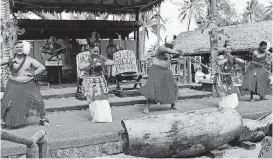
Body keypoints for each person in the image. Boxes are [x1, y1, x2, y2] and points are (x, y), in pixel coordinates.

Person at [1, 41, 49, 129]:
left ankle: (43, 119)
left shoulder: (29, 59)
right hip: (13, 84)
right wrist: (9, 60)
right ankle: (3, 121)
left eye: (21, 47)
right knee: (7, 103)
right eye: (17, 47)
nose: (19, 49)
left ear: (25, 49)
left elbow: (42, 67)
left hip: (27, 83)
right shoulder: (11, 59)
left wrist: (33, 73)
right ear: (14, 49)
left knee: (39, 101)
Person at [139, 46, 183, 114]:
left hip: (166, 71)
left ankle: (173, 104)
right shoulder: (161, 48)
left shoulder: (169, 54)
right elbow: (167, 49)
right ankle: (147, 106)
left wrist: (177, 57)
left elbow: (169, 60)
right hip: (156, 70)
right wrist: (178, 52)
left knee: (172, 86)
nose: (173, 43)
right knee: (154, 88)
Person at [79, 46, 114, 122]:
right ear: (91, 51)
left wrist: (102, 63)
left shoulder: (101, 57)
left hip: (100, 80)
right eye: (94, 51)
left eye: (97, 51)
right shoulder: (88, 58)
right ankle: (95, 116)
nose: (95, 53)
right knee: (93, 99)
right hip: (91, 81)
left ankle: (104, 117)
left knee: (102, 98)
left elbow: (112, 62)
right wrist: (90, 63)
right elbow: (80, 67)